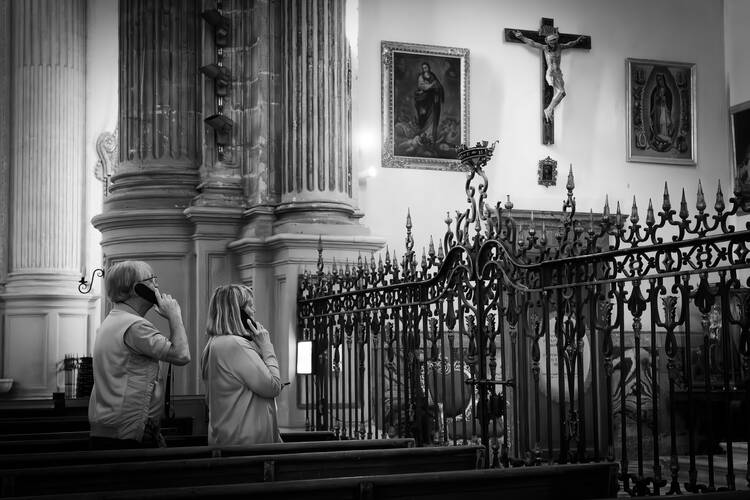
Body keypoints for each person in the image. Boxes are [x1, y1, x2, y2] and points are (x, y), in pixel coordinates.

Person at [88, 260, 191, 449]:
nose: (157, 285)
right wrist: (175, 316)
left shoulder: (113, 320)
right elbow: (181, 355)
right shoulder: (135, 326)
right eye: (152, 280)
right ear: (137, 288)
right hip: (128, 434)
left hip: (111, 429)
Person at [201, 284, 283, 445]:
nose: (254, 311)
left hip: (229, 438)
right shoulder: (235, 344)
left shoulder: (214, 343)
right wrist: (266, 346)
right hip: (247, 443)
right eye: (250, 306)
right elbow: (273, 387)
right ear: (237, 312)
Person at [513, 30, 587, 121]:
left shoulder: (560, 47)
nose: (553, 42)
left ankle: (549, 110)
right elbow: (532, 43)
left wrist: (577, 41)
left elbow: (569, 44)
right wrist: (521, 37)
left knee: (562, 93)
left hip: (558, 73)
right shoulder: (544, 48)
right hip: (551, 73)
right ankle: (549, 109)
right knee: (561, 92)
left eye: (555, 40)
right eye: (551, 41)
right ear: (547, 41)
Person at [414, 62, 444, 143]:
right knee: (426, 115)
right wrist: (431, 85)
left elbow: (438, 84)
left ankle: (431, 136)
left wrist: (437, 87)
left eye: (426, 67)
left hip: (433, 99)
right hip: (425, 99)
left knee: (434, 115)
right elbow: (421, 86)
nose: (425, 69)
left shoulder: (432, 75)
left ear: (429, 67)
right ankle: (424, 134)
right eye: (423, 67)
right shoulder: (421, 76)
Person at [649, 73, 674, 145]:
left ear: (663, 80)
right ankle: (660, 137)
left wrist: (664, 101)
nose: (659, 81)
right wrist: (657, 100)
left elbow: (669, 102)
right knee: (660, 124)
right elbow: (653, 101)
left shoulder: (667, 90)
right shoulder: (655, 90)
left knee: (664, 124)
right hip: (657, 111)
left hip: (664, 110)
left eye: (660, 79)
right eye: (658, 80)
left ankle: (665, 137)